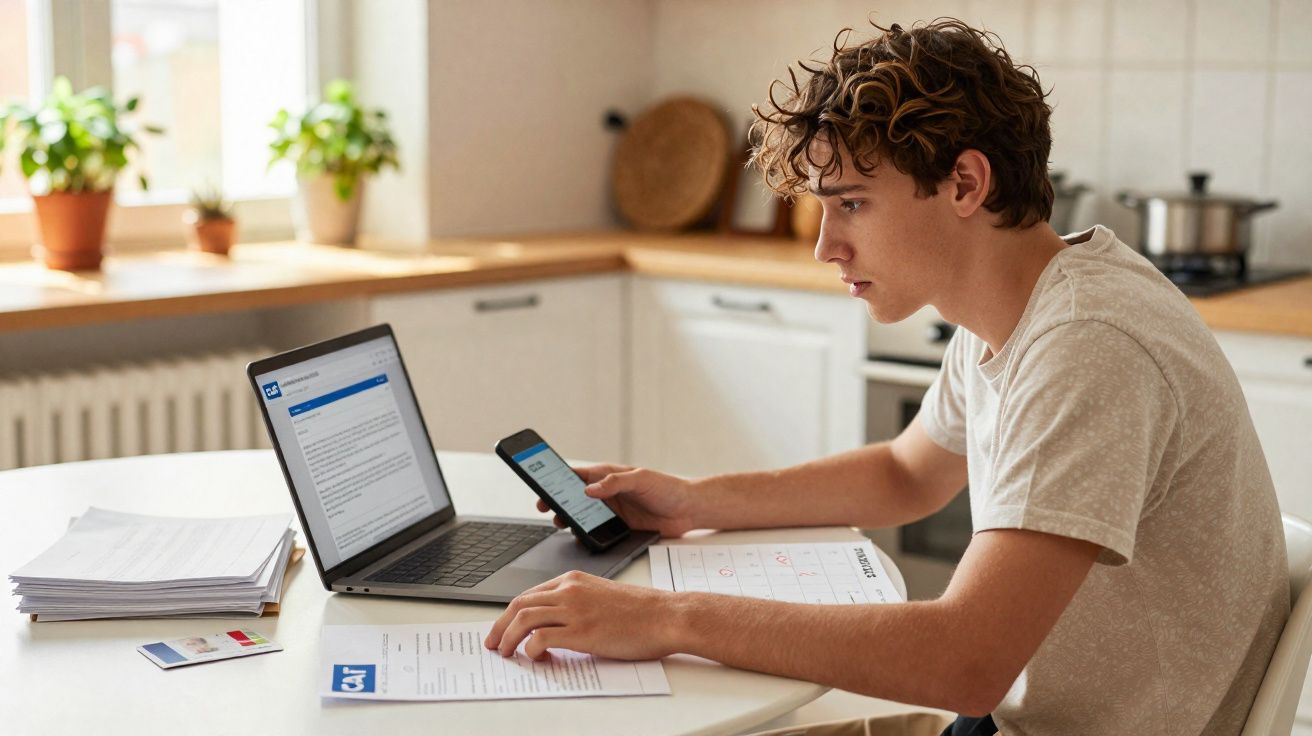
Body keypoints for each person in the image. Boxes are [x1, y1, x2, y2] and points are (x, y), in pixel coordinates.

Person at [484, 18, 1288, 735]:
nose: (824, 247)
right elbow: (907, 473)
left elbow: (965, 662)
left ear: (965, 184)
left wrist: (668, 619)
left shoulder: (1087, 345)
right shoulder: (1018, 303)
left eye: (853, 205)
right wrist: (694, 502)